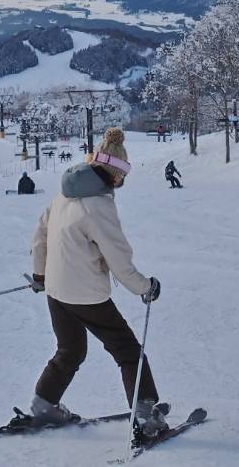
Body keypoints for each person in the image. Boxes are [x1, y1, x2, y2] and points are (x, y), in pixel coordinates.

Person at [28, 127, 167, 442]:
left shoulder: (64, 193)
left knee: (70, 349)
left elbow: (40, 236)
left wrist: (40, 276)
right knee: (128, 351)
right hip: (84, 294)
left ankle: (44, 404)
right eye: (122, 176)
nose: (122, 183)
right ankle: (146, 417)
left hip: (56, 291)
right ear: (115, 173)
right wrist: (145, 287)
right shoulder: (99, 205)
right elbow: (119, 259)